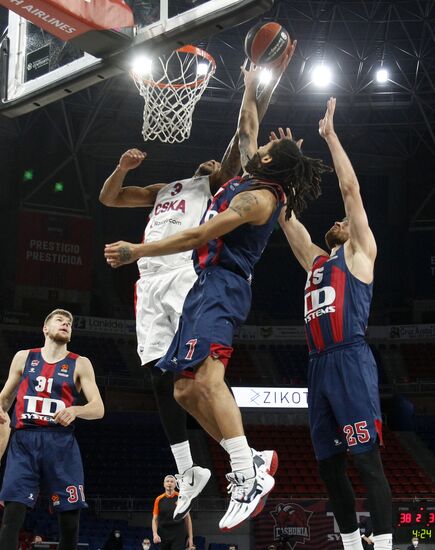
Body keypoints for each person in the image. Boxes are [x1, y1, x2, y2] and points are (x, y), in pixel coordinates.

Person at [104, 55, 331, 530]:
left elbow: (194, 238)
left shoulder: (255, 199)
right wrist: (250, 84)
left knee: (206, 382)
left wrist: (136, 249)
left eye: (266, 153)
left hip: (222, 286)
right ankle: (249, 455)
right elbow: (247, 125)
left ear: (270, 165)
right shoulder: (245, 178)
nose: (257, 150)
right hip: (202, 288)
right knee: (184, 390)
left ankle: (246, 475)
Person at [278, 97, 392, 550]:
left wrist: (329, 137)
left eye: (344, 221)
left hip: (349, 359)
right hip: (318, 365)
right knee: (328, 467)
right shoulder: (315, 262)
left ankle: (382, 546)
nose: (339, 220)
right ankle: (349, 544)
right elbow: (288, 224)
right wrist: (284, 171)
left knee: (367, 462)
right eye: (339, 222)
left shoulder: (359, 254)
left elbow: (350, 191)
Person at [0, 309, 105, 550]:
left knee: (69, 519)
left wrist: (76, 411)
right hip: (24, 441)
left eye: (69, 323)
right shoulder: (24, 357)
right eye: (60, 320)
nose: (66, 323)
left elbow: (98, 408)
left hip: (60, 442)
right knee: (12, 514)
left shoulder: (80, 363)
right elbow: (5, 400)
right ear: (45, 329)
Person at [152, 475, 193, 550]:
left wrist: (190, 537)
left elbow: (187, 519)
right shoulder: (158, 499)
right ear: (164, 484)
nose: (169, 483)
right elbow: (155, 519)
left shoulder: (181, 497)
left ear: (175, 484)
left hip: (178, 533)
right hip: (163, 533)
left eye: (172, 482)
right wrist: (155, 534)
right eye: (167, 481)